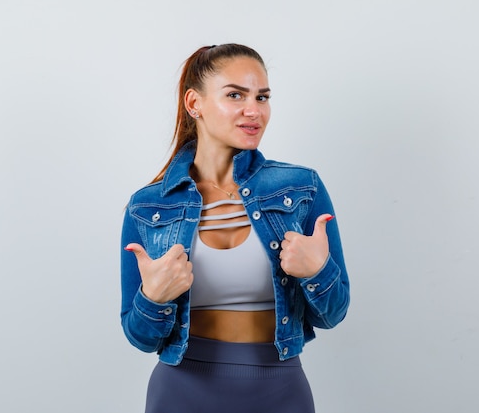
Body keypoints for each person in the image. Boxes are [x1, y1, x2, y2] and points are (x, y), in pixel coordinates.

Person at [120, 43, 350, 413]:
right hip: (181, 391)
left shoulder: (301, 188)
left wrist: (316, 272)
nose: (253, 110)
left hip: (280, 389)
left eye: (262, 97)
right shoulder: (149, 205)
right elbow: (140, 337)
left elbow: (333, 314)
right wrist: (154, 298)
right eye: (235, 95)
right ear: (194, 104)